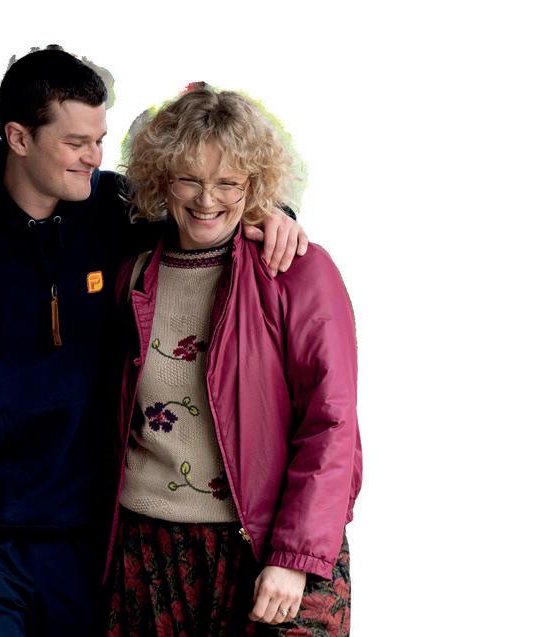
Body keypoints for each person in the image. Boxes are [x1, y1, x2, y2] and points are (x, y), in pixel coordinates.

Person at [0, 48, 308, 636]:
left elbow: (207, 208)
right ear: (19, 137)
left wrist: (275, 212)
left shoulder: (113, 212)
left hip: (87, 535)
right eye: (76, 142)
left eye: (100, 140)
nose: (95, 157)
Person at [105, 86, 360, 636]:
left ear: (254, 185)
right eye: (189, 180)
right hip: (148, 551)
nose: (207, 200)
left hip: (268, 546)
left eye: (228, 183)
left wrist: (295, 557)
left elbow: (332, 424)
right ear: (162, 180)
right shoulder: (132, 274)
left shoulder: (296, 270)